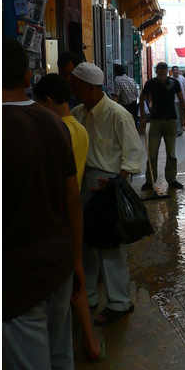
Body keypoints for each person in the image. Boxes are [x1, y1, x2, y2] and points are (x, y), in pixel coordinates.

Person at [2, 36, 85, 370]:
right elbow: (72, 200)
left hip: (19, 275)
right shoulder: (55, 124)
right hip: (59, 262)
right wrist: (77, 259)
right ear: (27, 78)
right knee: (61, 359)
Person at [33, 73, 105, 363]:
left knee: (66, 286)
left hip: (58, 211)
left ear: (47, 102)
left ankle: (76, 343)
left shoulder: (52, 130)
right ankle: (89, 341)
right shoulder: (79, 128)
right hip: (72, 208)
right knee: (78, 279)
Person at [69, 62, 144, 326]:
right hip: (83, 182)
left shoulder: (117, 114)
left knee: (111, 246)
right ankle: (87, 295)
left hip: (109, 183)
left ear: (90, 88)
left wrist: (115, 183)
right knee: (86, 243)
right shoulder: (78, 113)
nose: (73, 92)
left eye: (76, 87)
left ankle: (120, 302)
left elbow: (134, 155)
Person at [139, 62, 185, 191]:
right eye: (160, 74)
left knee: (171, 153)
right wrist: (143, 117)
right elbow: (142, 97)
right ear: (156, 72)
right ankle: (150, 180)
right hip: (155, 122)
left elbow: (182, 100)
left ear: (168, 72)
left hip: (171, 121)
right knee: (152, 153)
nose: (162, 77)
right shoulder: (151, 83)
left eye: (164, 74)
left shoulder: (174, 83)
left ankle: (172, 179)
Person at [111, 63, 139, 128]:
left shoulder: (117, 80)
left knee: (127, 126)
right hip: (134, 105)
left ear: (116, 72)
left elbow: (117, 96)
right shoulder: (131, 80)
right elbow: (136, 94)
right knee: (134, 125)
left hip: (126, 107)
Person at [171, 65, 185, 136]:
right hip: (174, 100)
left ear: (178, 71)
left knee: (182, 116)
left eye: (176, 70)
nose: (175, 71)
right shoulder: (171, 79)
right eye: (174, 70)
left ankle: (181, 128)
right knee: (177, 116)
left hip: (182, 100)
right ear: (172, 71)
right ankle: (178, 130)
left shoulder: (182, 78)